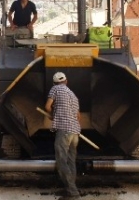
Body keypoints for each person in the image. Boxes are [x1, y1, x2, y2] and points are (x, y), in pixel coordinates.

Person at [44, 72, 81, 200]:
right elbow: (78, 116)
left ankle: (73, 192)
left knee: (61, 160)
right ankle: (70, 189)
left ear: (54, 83)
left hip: (64, 130)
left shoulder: (55, 89)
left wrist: (53, 115)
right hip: (75, 131)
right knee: (71, 160)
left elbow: (47, 106)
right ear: (66, 81)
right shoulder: (73, 95)